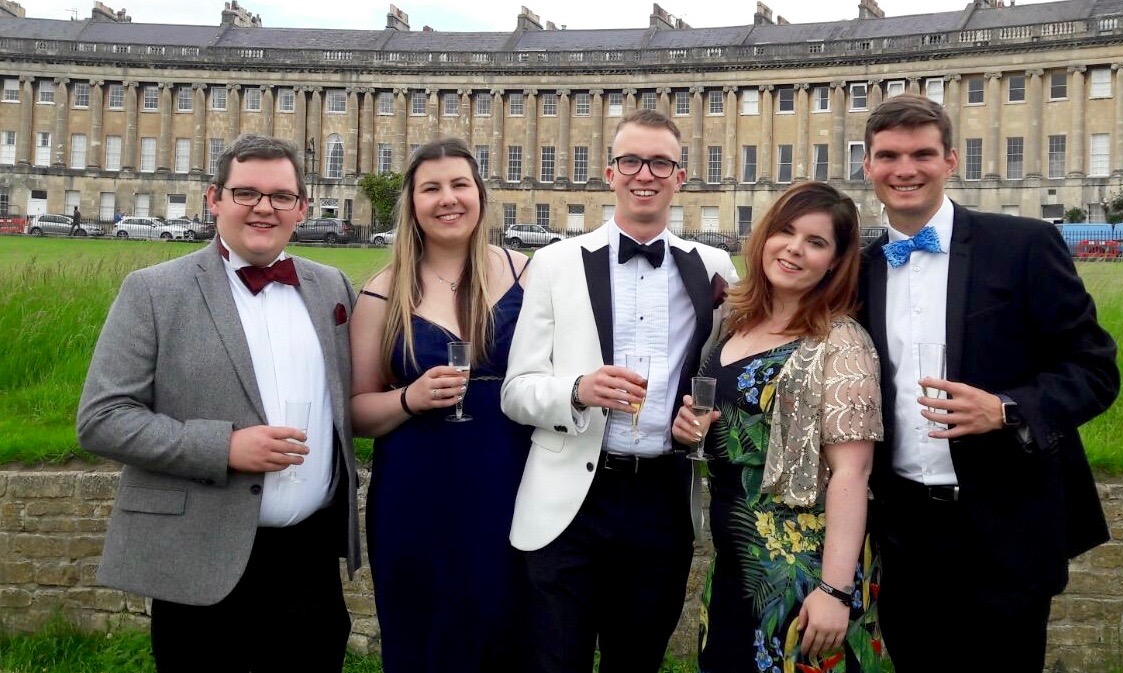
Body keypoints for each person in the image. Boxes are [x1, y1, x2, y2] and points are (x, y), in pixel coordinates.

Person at [77, 133, 360, 673]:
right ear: (215, 199)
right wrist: (223, 446)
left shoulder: (333, 288)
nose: (263, 208)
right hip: (199, 559)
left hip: (310, 563)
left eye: (280, 196)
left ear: (301, 206)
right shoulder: (153, 291)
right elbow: (102, 419)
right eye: (246, 192)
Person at [857, 94, 1119, 672]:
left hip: (1007, 527)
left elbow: (1095, 368)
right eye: (889, 156)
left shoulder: (1023, 245)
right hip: (904, 532)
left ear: (951, 160)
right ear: (869, 166)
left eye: (923, 153)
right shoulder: (860, 267)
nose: (906, 169)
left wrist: (1008, 409)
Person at [501, 108, 739, 673]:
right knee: (555, 660)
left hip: (663, 499)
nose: (645, 174)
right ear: (609, 173)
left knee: (638, 660)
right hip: (570, 501)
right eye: (631, 160)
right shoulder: (555, 263)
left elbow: (726, 381)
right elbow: (516, 391)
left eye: (661, 162)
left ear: (681, 177)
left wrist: (706, 421)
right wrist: (578, 389)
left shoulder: (714, 267)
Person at [671, 181, 884, 672]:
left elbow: (853, 473)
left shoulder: (841, 341)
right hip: (735, 562)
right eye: (786, 232)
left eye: (816, 242)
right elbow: (731, 423)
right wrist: (692, 428)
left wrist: (834, 590)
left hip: (803, 569)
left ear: (834, 261)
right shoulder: (733, 322)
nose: (794, 249)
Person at [349, 138, 532, 672]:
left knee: (510, 633)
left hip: (511, 486)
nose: (447, 199)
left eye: (460, 185)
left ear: (480, 195)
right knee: (424, 639)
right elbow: (358, 413)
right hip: (416, 496)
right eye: (431, 188)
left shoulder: (529, 274)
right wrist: (410, 397)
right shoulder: (383, 294)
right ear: (411, 203)